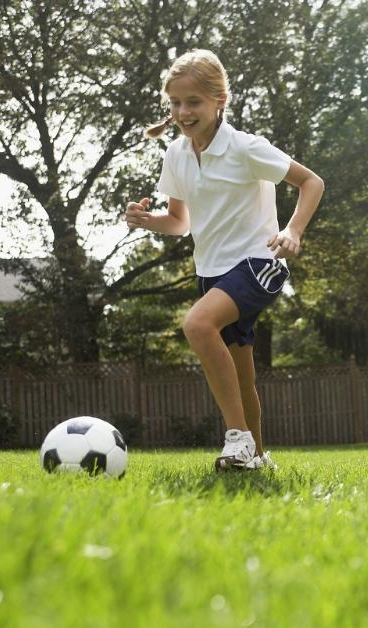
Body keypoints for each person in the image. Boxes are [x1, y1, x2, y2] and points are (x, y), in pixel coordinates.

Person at [125, 49, 324, 471]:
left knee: (197, 324)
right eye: (176, 103)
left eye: (193, 102)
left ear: (220, 100)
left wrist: (293, 230)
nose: (183, 112)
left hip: (259, 261)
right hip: (211, 272)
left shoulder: (246, 148)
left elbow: (311, 182)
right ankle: (258, 458)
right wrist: (146, 221)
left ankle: (236, 439)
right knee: (242, 377)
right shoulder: (176, 155)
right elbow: (180, 223)